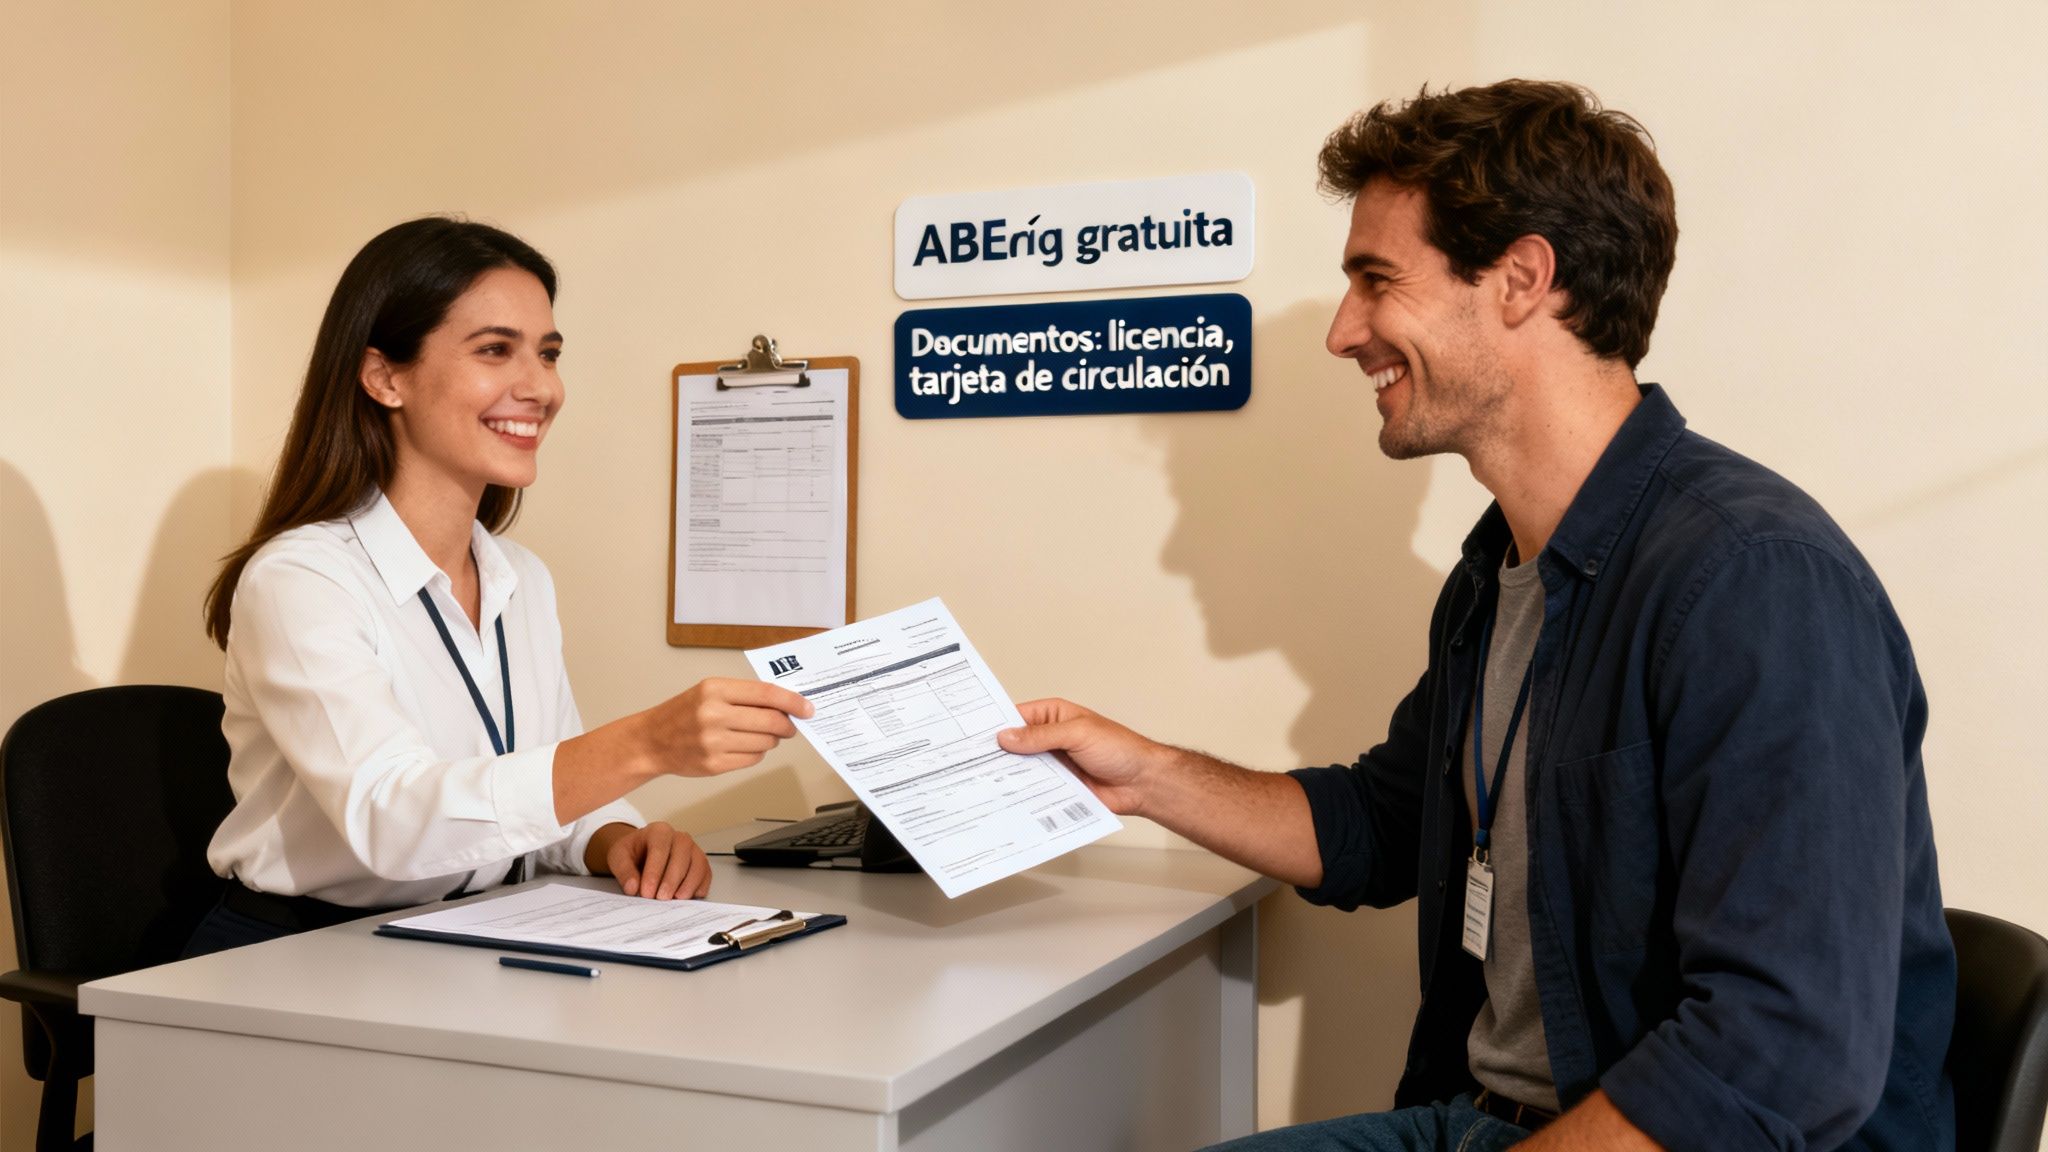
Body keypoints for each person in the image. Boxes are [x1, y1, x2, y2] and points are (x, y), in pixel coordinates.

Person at [998, 81, 1954, 1151]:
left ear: (1520, 279)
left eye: (1375, 280)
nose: (1344, 333)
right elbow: (1383, 827)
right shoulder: (1496, 576)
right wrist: (1143, 777)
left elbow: (1780, 1052)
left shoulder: (1753, 582)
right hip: (1483, 1120)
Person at [187, 217, 811, 957]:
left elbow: (533, 796)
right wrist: (646, 744)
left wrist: (617, 837)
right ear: (384, 376)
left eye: (548, 354)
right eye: (495, 350)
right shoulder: (301, 580)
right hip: (299, 954)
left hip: (463, 938)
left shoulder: (521, 578)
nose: (542, 387)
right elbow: (393, 821)